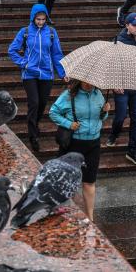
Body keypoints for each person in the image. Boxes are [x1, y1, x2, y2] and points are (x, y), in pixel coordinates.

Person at [8, 3, 68, 152]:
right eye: (38, 19)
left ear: (47, 18)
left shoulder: (52, 32)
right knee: (34, 103)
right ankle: (33, 135)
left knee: (42, 104)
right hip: (30, 74)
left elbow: (56, 54)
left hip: (47, 74)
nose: (40, 22)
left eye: (43, 19)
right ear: (33, 18)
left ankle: (35, 123)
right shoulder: (25, 31)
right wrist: (24, 63)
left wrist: (62, 73)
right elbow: (12, 50)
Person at [50, 79, 110, 221]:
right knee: (67, 181)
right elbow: (53, 112)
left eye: (92, 82)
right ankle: (65, 214)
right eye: (86, 82)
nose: (89, 84)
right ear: (80, 80)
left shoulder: (99, 95)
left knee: (89, 182)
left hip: (93, 144)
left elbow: (101, 117)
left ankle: (90, 217)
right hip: (74, 143)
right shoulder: (69, 95)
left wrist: (105, 112)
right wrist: (69, 124)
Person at [107, 12, 136, 166]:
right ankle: (114, 134)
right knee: (120, 116)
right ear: (127, 25)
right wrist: (114, 83)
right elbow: (111, 64)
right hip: (122, 86)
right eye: (134, 24)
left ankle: (133, 151)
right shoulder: (118, 41)